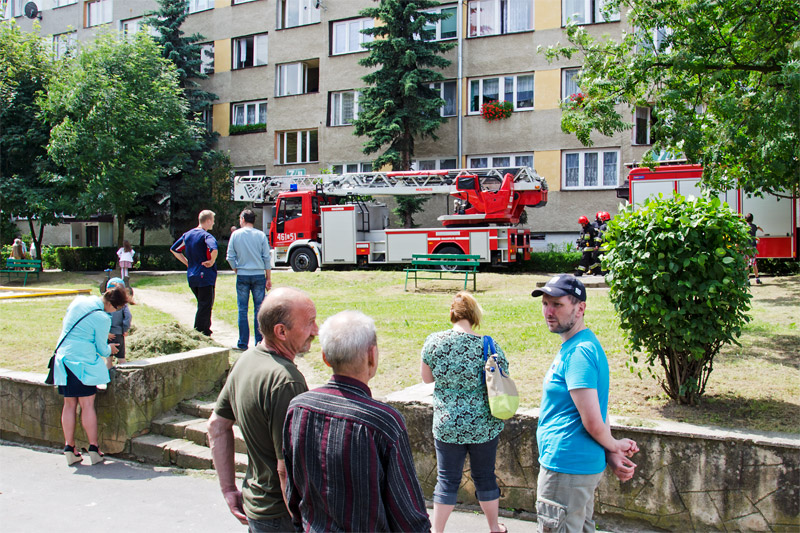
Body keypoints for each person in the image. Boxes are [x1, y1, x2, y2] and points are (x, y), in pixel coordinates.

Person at [284, 311, 431, 532]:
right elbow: (408, 515)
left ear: (325, 357)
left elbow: (293, 490)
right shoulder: (383, 422)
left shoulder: (298, 408)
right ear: (372, 356)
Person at [531, 275, 639, 532]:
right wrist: (611, 452)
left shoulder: (579, 352)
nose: (548, 311)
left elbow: (592, 419)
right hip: (575, 467)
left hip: (566, 467)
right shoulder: (579, 345)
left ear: (580, 308)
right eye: (545, 304)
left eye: (557, 304)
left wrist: (613, 445)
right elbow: (597, 409)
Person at [207, 287, 318, 532]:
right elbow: (285, 470)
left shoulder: (246, 359)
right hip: (282, 516)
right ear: (281, 331)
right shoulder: (288, 381)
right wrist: (305, 524)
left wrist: (227, 488)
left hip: (256, 506)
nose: (316, 331)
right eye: (310, 323)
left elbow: (216, 425)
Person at [420, 291, 509, 533]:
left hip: (447, 425)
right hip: (483, 425)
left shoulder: (434, 342)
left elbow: (427, 379)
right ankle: (494, 527)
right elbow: (504, 377)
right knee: (485, 476)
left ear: (452, 314)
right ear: (474, 315)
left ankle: (437, 531)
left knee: (447, 480)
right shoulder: (488, 345)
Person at [53, 285, 129, 466]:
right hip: (82, 363)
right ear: (113, 305)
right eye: (117, 309)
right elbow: (101, 348)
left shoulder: (79, 301)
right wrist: (110, 348)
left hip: (64, 359)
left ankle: (69, 448)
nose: (114, 313)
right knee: (87, 405)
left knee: (69, 404)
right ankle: (94, 448)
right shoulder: (102, 317)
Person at [227, 209, 272, 351]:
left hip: (242, 275)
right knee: (259, 310)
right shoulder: (260, 235)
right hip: (259, 275)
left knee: (242, 309)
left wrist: (236, 269)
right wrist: (268, 278)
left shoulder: (236, 235)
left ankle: (242, 342)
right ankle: (259, 341)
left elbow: (230, 256)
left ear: (242, 219)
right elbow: (266, 258)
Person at [170, 210, 218, 336]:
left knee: (202, 304)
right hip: (205, 275)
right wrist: (212, 261)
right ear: (207, 221)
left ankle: (205, 329)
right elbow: (214, 248)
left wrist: (187, 263)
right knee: (205, 305)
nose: (213, 223)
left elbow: (174, 249)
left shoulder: (187, 235)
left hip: (192, 275)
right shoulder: (206, 236)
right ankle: (200, 332)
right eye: (212, 220)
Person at [104, 277, 132, 369]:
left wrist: (105, 333)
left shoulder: (104, 304)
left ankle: (108, 380)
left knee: (108, 359)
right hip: (118, 333)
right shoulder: (123, 304)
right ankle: (124, 377)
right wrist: (125, 329)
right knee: (121, 358)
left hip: (108, 334)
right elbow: (128, 316)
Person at [745, 213, 764, 285]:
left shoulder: (744, 227)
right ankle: (757, 278)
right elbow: (758, 227)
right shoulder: (754, 227)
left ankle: (747, 280)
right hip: (753, 247)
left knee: (746, 263)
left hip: (746, 247)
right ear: (752, 219)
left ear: (745, 219)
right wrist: (761, 229)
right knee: (754, 263)